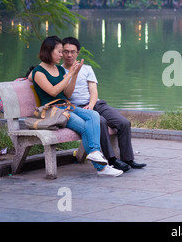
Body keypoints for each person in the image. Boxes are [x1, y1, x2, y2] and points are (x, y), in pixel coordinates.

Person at [31, 36, 123, 177]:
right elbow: (53, 91)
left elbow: (67, 94)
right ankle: (101, 167)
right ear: (49, 51)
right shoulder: (39, 72)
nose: (62, 55)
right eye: (60, 52)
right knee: (86, 127)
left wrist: (74, 75)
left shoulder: (59, 70)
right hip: (52, 110)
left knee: (94, 115)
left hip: (66, 107)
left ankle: (95, 154)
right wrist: (70, 75)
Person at [61, 37, 146, 172]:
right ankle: (111, 160)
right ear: (61, 53)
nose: (69, 55)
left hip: (95, 104)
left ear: (77, 53)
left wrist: (91, 104)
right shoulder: (59, 72)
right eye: (66, 52)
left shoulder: (87, 69)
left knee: (123, 122)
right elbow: (65, 95)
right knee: (100, 122)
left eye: (72, 52)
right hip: (76, 109)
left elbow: (93, 90)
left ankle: (128, 159)